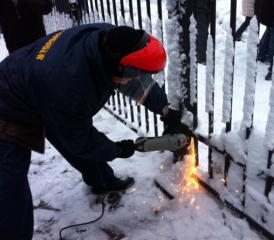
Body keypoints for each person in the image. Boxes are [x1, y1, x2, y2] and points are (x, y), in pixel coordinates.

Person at [0, 24, 182, 239]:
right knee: (9, 188)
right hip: (7, 106)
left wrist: (165, 110)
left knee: (69, 129)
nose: (136, 79)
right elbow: (81, 141)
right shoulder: (70, 88)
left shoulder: (110, 42)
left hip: (38, 87)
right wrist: (117, 150)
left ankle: (102, 181)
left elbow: (135, 81)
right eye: (133, 75)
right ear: (121, 70)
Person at [196, 0, 211, 65]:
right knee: (201, 33)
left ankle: (203, 53)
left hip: (207, 8)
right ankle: (200, 57)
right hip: (199, 9)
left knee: (205, 32)